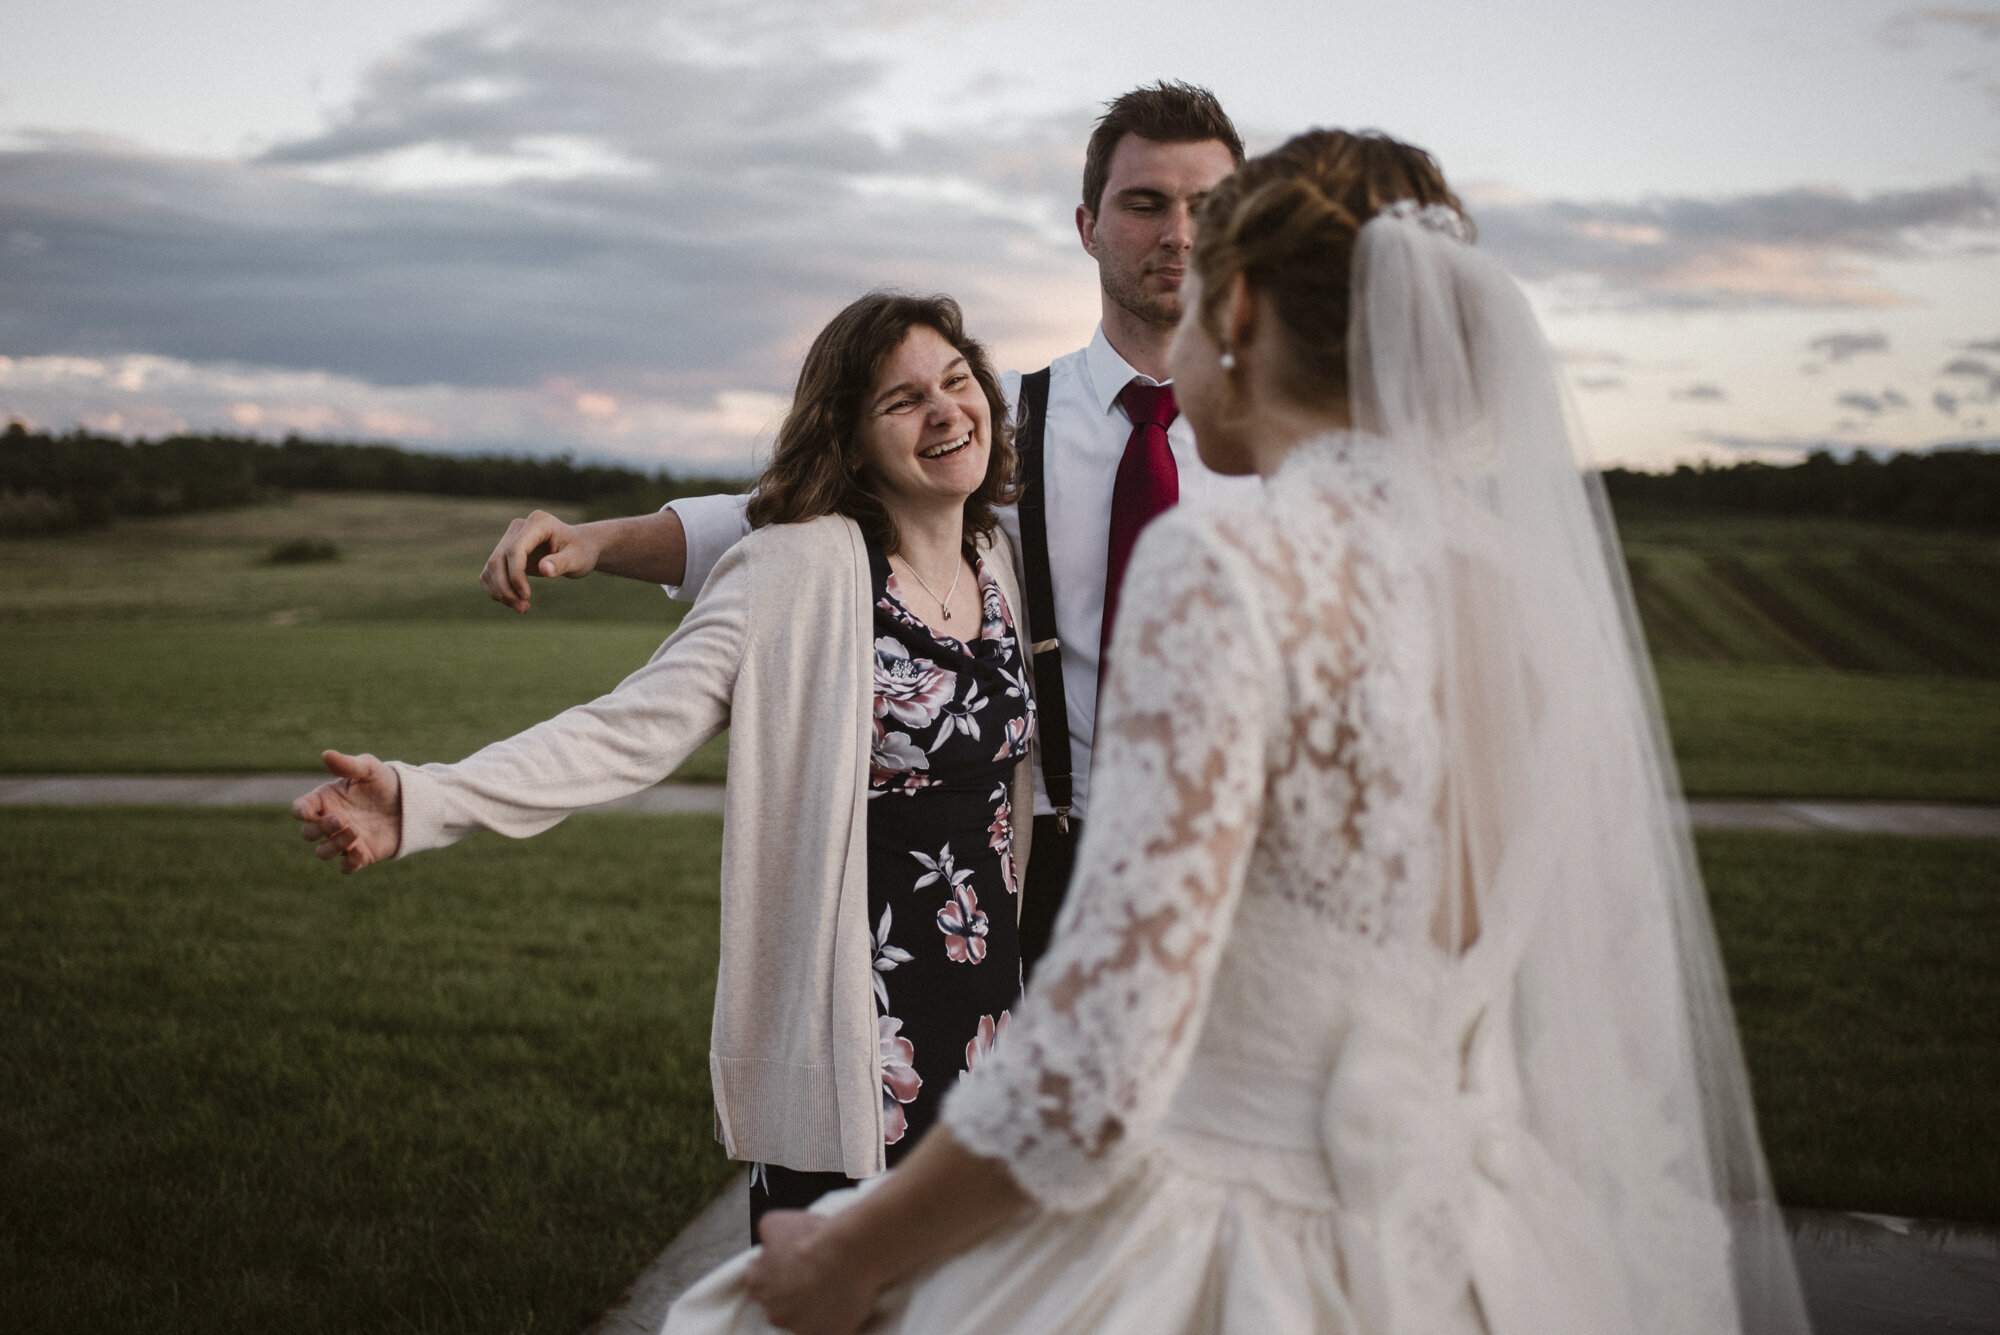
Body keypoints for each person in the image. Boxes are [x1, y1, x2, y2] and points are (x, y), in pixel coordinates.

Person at [663, 131, 1814, 1335]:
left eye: (1201, 275)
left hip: (1238, 1242)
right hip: (1467, 1240)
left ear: (1242, 308)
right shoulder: (1526, 593)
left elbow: (1101, 1064)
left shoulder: (1223, 564)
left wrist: (849, 1255)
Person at [292, 292, 1041, 1240]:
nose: (944, 411)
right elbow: (625, 730)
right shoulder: (798, 572)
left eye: (957, 382)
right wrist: (426, 799)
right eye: (901, 401)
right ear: (851, 443)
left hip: (989, 1016)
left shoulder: (997, 561)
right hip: (856, 1028)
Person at [476, 81, 1259, 978]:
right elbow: (786, 516)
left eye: (1209, 207)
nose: (1180, 234)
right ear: (1087, 227)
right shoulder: (1003, 426)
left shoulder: (1296, 443)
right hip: (1058, 870)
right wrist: (598, 540)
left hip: (1248, 865)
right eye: (1145, 203)